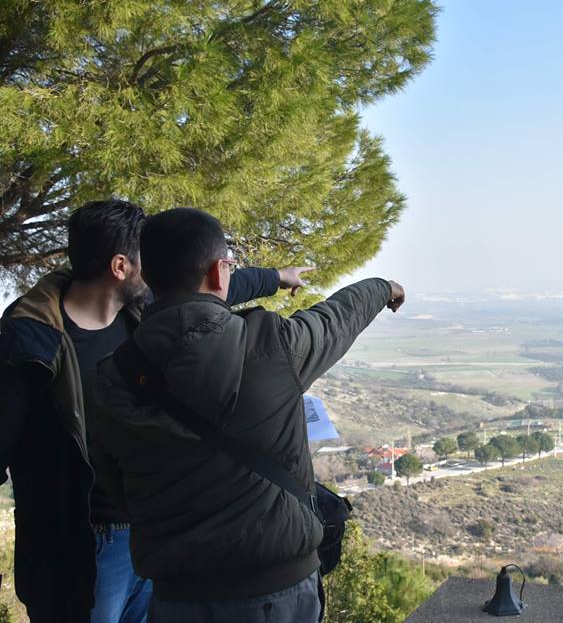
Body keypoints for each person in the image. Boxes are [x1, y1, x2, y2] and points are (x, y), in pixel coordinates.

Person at [0, 199, 313, 623]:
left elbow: (214, 286)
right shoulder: (29, 345)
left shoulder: (142, 311)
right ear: (120, 267)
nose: (161, 269)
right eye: (148, 258)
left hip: (152, 531)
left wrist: (277, 278)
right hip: (80, 544)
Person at [88, 207, 404, 622]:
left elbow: (115, 484)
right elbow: (336, 319)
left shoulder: (113, 375)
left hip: (174, 599)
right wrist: (384, 287)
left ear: (148, 277)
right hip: (275, 595)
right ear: (221, 273)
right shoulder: (270, 345)